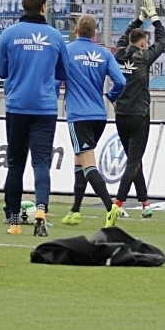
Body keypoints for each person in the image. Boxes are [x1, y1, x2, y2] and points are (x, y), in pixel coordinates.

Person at [0, 0, 67, 236]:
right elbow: (62, 72)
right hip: (45, 107)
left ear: (23, 7)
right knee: (41, 163)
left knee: (15, 165)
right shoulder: (55, 37)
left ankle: (14, 221)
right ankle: (40, 210)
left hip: (16, 106)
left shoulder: (9, 34)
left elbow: (2, 72)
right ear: (44, 7)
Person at [58, 13, 126, 226]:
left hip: (79, 116)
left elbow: (56, 79)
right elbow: (121, 82)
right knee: (80, 160)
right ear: (95, 33)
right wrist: (110, 97)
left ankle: (110, 208)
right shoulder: (103, 54)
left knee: (88, 163)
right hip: (99, 115)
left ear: (76, 31)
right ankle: (76, 210)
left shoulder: (67, 51)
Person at [108, 0, 165, 226]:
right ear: (143, 43)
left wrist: (140, 20)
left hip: (121, 114)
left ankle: (145, 203)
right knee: (134, 161)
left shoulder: (119, 54)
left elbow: (125, 37)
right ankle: (118, 204)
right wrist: (154, 18)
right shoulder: (144, 57)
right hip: (139, 116)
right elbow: (164, 40)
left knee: (135, 160)